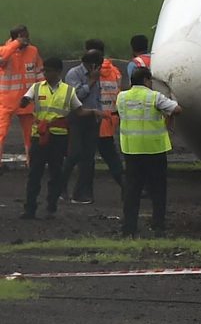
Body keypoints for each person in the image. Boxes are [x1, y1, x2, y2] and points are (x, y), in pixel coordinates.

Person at [19, 58, 96, 219]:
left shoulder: (68, 91)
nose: (45, 74)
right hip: (39, 136)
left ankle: (51, 206)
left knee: (56, 173)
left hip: (58, 138)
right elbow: (25, 100)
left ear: (58, 72)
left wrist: (95, 112)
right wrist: (24, 101)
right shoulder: (37, 87)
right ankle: (30, 208)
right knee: (34, 173)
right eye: (44, 70)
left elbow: (79, 111)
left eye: (49, 71)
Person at [116, 68, 180, 236]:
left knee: (132, 190)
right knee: (158, 189)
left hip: (131, 149)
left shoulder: (121, 97)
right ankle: (158, 225)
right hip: (154, 149)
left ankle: (129, 227)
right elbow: (177, 110)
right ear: (146, 80)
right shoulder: (154, 96)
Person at [62, 44, 124, 204]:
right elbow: (75, 97)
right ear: (92, 64)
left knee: (88, 158)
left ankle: (83, 194)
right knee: (75, 154)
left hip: (93, 119)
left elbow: (97, 97)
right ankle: (60, 186)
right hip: (77, 118)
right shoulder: (74, 74)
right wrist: (90, 82)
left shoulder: (96, 75)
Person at [0, 26, 42, 165]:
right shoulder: (5, 50)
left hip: (26, 100)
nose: (28, 38)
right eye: (25, 36)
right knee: (1, 133)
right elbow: (3, 58)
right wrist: (16, 43)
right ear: (17, 37)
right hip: (6, 101)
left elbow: (39, 73)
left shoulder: (33, 51)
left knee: (30, 134)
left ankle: (32, 162)